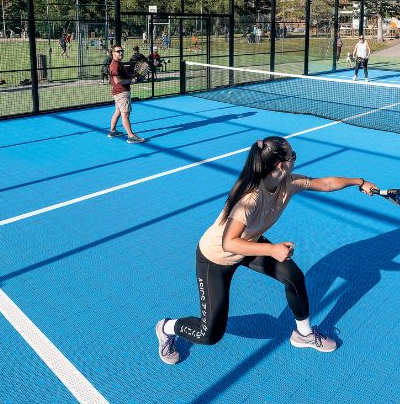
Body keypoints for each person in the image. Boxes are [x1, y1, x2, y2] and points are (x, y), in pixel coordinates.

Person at [154, 136, 380, 365]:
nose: (295, 159)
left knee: (293, 276)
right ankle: (167, 326)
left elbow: (326, 183)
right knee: (210, 334)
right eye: (293, 156)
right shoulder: (250, 198)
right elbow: (228, 243)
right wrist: (271, 249)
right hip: (216, 258)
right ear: (281, 164)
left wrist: (359, 182)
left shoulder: (287, 183)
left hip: (249, 243)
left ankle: (303, 334)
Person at [107, 45, 145, 143]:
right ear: (113, 53)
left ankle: (112, 131)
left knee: (118, 111)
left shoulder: (118, 63)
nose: (121, 53)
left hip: (117, 92)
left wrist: (134, 77)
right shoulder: (115, 65)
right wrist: (132, 80)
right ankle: (131, 136)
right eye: (118, 51)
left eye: (122, 51)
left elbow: (124, 76)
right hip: (122, 92)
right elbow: (117, 80)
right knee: (125, 114)